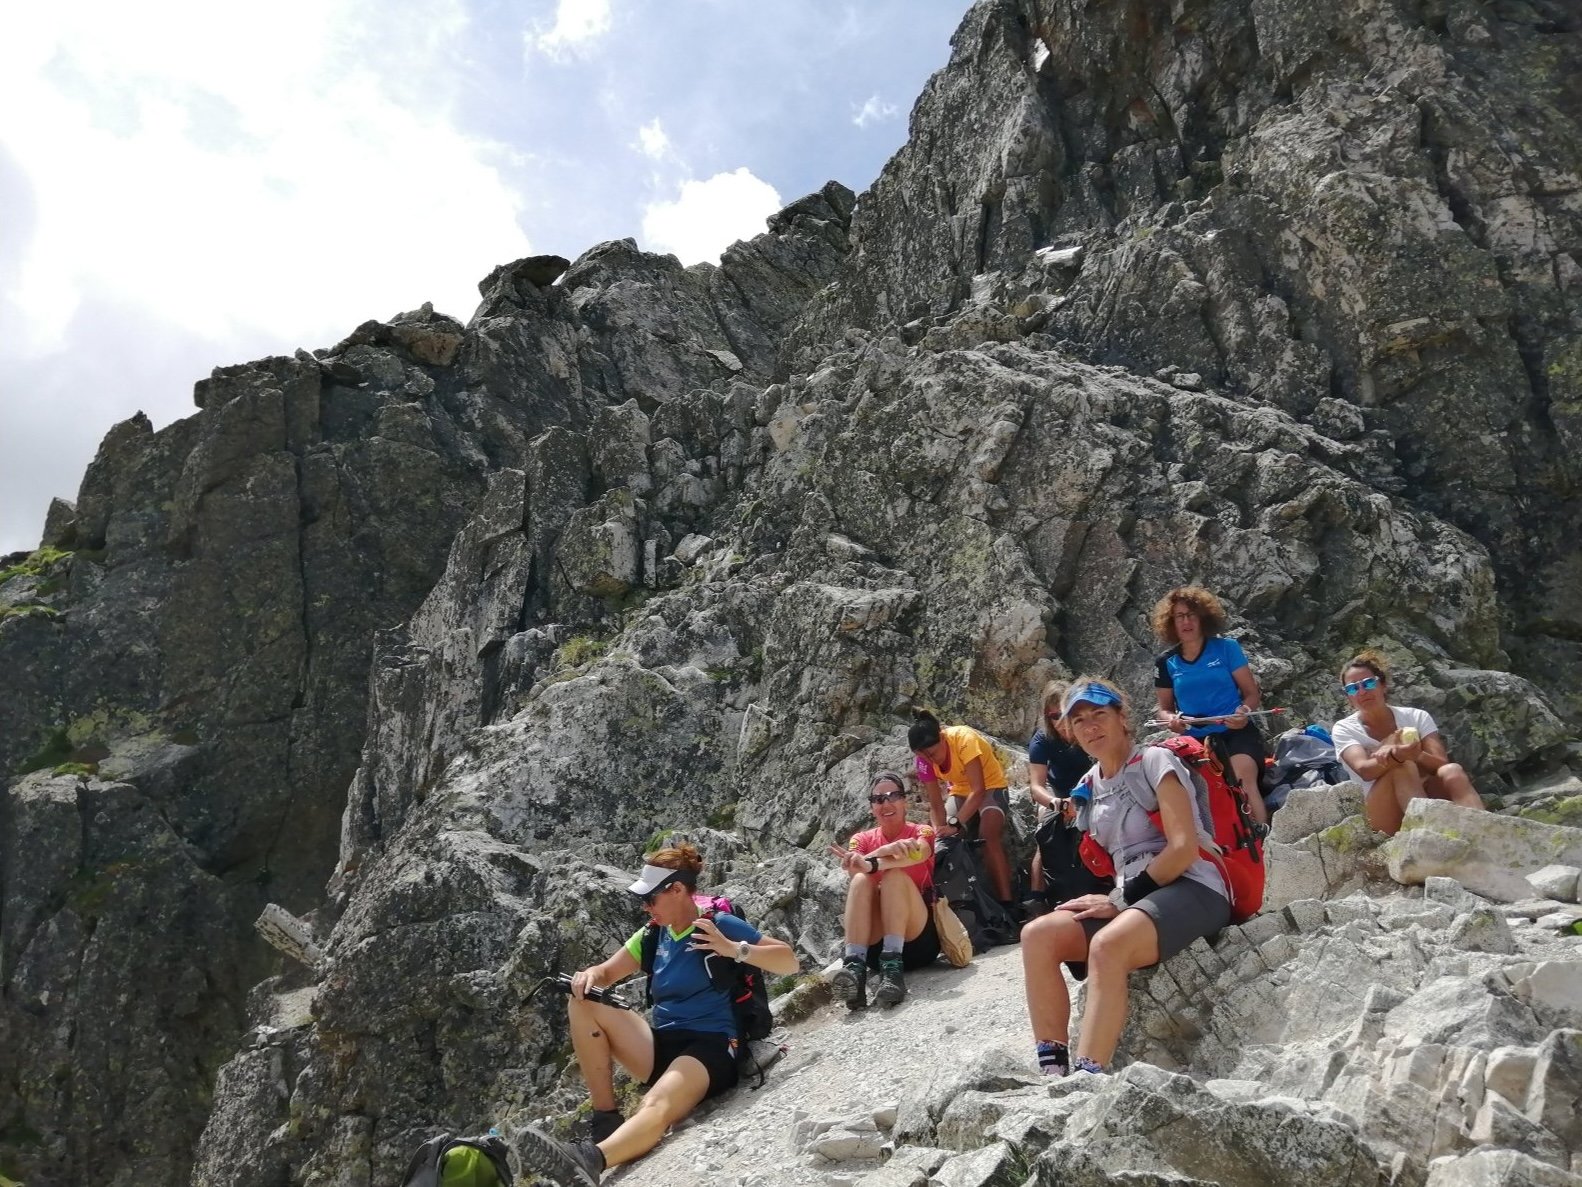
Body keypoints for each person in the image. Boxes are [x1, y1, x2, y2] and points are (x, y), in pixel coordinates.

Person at [517, 843, 799, 1186]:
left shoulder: (718, 923)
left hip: (711, 1046)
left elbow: (788, 962)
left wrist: (733, 949)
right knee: (582, 1002)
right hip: (663, 1043)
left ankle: (591, 1159)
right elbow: (606, 973)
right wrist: (589, 976)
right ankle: (605, 1120)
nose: (646, 907)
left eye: (651, 899)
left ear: (678, 889)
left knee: (656, 1102)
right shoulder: (653, 934)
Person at [1020, 678, 1231, 1077]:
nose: (1089, 726)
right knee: (1037, 936)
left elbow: (1184, 847)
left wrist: (1117, 902)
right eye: (1078, 720)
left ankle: (1086, 1078)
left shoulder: (1155, 762)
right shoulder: (1087, 788)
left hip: (1194, 885)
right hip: (1135, 897)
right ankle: (1053, 1073)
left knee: (1107, 945)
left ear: (1122, 717)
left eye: (1099, 714)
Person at [1331, 650, 1485, 835]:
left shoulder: (1416, 716)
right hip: (1383, 813)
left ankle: (1482, 830)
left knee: (1453, 771)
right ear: (1348, 696)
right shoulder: (1344, 728)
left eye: (1368, 683)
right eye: (1353, 688)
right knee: (1402, 767)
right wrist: (1397, 756)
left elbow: (1441, 763)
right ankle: (1429, 833)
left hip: (1428, 793)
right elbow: (1364, 770)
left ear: (1383, 685)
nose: (1362, 691)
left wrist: (1415, 754)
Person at [1151, 586, 1270, 825]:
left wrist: (1243, 712)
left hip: (1236, 732)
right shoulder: (1165, 662)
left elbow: (1250, 693)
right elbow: (1163, 708)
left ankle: (1264, 838)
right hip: (1196, 742)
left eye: (1191, 614)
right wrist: (1173, 720)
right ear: (1171, 622)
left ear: (1203, 618)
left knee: (1241, 775)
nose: (1186, 621)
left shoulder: (1227, 648)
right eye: (1179, 616)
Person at [828, 771, 940, 1009]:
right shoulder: (861, 839)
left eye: (894, 796)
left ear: (904, 801)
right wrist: (874, 857)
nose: (886, 803)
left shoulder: (922, 831)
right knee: (860, 880)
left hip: (919, 938)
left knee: (894, 877)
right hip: (874, 947)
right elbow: (854, 866)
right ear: (871, 807)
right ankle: (855, 968)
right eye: (879, 799)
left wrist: (874, 862)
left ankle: (893, 967)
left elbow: (920, 853)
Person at [909, 708, 1015, 910]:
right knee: (943, 842)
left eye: (932, 754)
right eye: (924, 757)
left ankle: (1007, 902)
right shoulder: (924, 759)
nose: (931, 761)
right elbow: (936, 802)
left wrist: (956, 823)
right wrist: (939, 829)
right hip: (959, 791)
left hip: (991, 786)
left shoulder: (964, 739)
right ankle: (961, 905)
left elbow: (979, 791)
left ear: (942, 737)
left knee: (987, 835)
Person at [1027, 679, 1104, 913]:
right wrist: (1057, 804)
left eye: (1063, 713)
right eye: (1053, 716)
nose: (1059, 721)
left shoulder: (1087, 731)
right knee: (1045, 834)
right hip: (1060, 798)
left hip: (1095, 790)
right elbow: (1036, 786)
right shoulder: (1042, 741)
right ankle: (1037, 897)